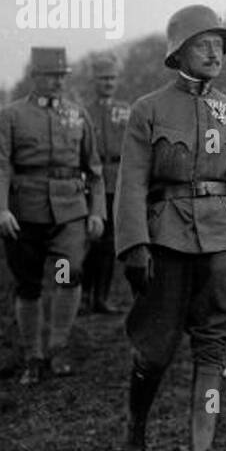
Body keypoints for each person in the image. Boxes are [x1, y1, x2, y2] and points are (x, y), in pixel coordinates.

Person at [114, 5, 226, 451]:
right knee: (156, 347)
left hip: (223, 239)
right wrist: (134, 246)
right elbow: (131, 185)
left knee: (214, 344)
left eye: (220, 45)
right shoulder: (149, 110)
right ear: (178, 51)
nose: (214, 52)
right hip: (167, 240)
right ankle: (135, 429)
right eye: (203, 43)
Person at [0, 47, 105, 383]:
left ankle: (57, 346)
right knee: (29, 284)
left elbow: (93, 169)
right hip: (26, 214)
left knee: (70, 272)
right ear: (34, 77)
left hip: (69, 215)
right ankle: (32, 356)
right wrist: (0, 209)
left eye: (61, 76)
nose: (56, 82)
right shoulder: (12, 116)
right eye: (50, 75)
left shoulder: (78, 115)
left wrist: (97, 212)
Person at [81, 53, 129, 314]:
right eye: (102, 78)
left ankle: (101, 297)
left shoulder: (126, 110)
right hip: (90, 182)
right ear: (94, 81)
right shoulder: (83, 112)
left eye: (111, 78)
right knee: (86, 241)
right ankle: (80, 294)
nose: (108, 83)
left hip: (118, 181)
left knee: (110, 243)